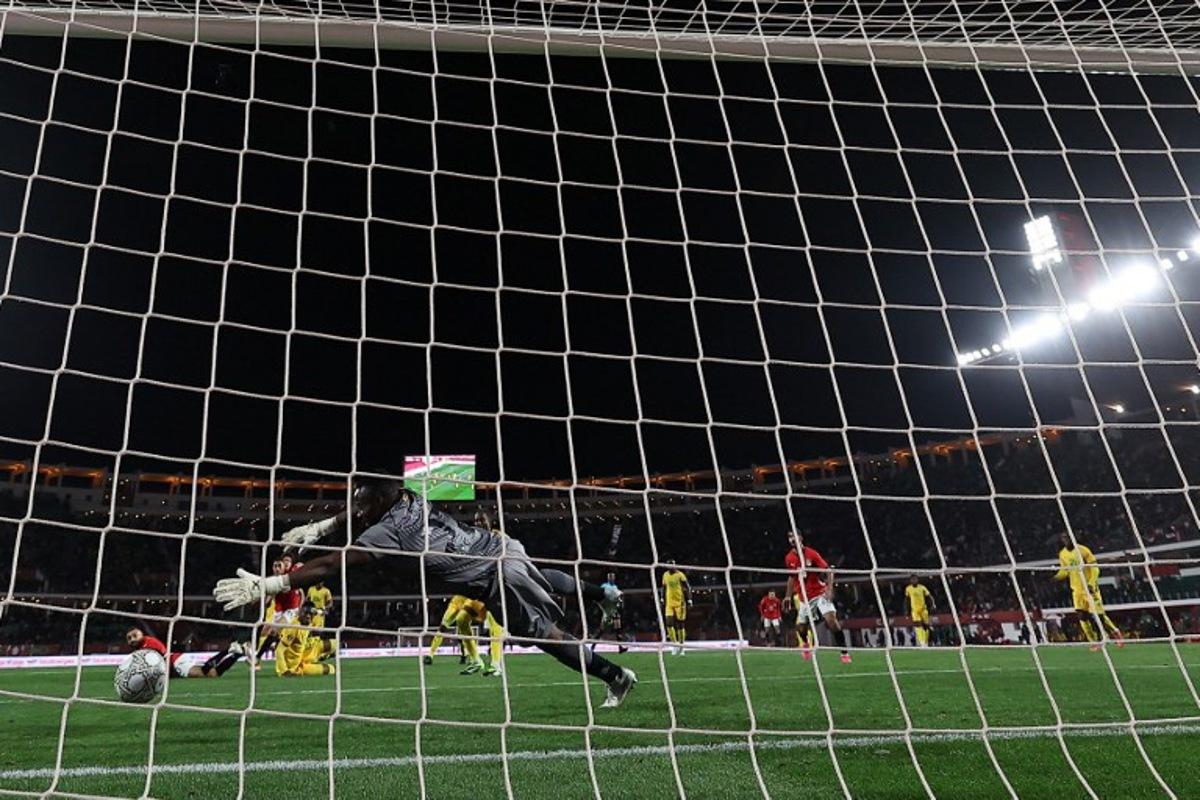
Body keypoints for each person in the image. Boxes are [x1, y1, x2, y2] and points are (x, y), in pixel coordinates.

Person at [214, 479, 636, 707]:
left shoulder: (389, 532)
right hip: (500, 547)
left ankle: (616, 676)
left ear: (379, 501)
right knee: (540, 577)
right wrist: (323, 526)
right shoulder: (410, 493)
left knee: (544, 637)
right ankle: (601, 591)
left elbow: (330, 565)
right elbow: (359, 506)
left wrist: (269, 584)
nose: (358, 510)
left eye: (363, 504)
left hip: (493, 576)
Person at [784, 533, 850, 664]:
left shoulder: (812, 553)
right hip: (804, 597)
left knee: (832, 621)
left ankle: (844, 653)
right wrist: (787, 596)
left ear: (800, 538)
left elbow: (829, 571)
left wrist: (829, 590)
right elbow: (791, 577)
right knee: (801, 628)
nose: (792, 539)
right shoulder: (789, 558)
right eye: (790, 537)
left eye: (795, 536)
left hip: (819, 593)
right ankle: (806, 644)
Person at [1054, 532, 1123, 650]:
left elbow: (1095, 568)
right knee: (1082, 616)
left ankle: (1115, 633)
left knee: (1098, 615)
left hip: (1090, 589)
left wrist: (1091, 583)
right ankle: (1093, 641)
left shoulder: (1083, 551)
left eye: (1068, 537)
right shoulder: (1062, 554)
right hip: (1077, 591)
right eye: (1063, 538)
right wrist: (1054, 578)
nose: (1066, 540)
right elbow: (1065, 571)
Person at [427, 595, 505, 676]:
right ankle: (476, 661)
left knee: (495, 624)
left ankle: (495, 665)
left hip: (491, 595)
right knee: (461, 619)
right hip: (474, 596)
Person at [125, 627, 247, 679]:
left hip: (176, 661)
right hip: (177, 660)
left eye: (135, 635)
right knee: (213, 674)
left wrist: (169, 674)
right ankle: (237, 654)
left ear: (141, 633)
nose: (132, 639)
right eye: (129, 638)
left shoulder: (149, 642)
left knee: (203, 672)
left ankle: (229, 649)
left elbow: (165, 655)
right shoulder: (140, 649)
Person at [275, 605, 338, 677]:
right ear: (300, 613)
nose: (308, 616)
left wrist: (322, 610)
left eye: (310, 614)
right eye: (305, 613)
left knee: (335, 644)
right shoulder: (293, 628)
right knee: (330, 669)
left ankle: (324, 656)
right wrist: (284, 671)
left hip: (304, 652)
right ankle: (323, 658)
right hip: (295, 664)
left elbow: (321, 612)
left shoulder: (308, 621)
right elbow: (279, 650)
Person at [594, 572, 630, 654]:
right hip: (607, 610)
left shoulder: (615, 587)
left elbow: (618, 598)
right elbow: (600, 596)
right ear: (608, 578)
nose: (611, 578)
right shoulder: (604, 586)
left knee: (618, 629)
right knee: (601, 630)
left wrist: (619, 603)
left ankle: (620, 647)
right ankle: (593, 645)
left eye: (613, 577)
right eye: (610, 577)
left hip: (614, 609)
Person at [660, 561, 691, 656]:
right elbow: (664, 587)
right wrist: (662, 597)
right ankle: (674, 644)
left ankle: (682, 646)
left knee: (680, 625)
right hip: (669, 603)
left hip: (680, 603)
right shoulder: (665, 575)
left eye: (673, 565)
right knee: (669, 623)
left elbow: (687, 587)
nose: (672, 566)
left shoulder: (680, 574)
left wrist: (689, 599)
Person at [904, 576, 934, 647]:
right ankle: (922, 642)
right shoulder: (908, 589)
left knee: (926, 626)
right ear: (910, 581)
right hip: (915, 611)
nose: (914, 581)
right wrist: (906, 611)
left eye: (915, 579)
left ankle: (926, 641)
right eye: (912, 580)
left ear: (918, 580)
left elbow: (929, 596)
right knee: (918, 625)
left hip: (923, 609)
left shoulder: (922, 588)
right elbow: (907, 600)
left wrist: (933, 604)